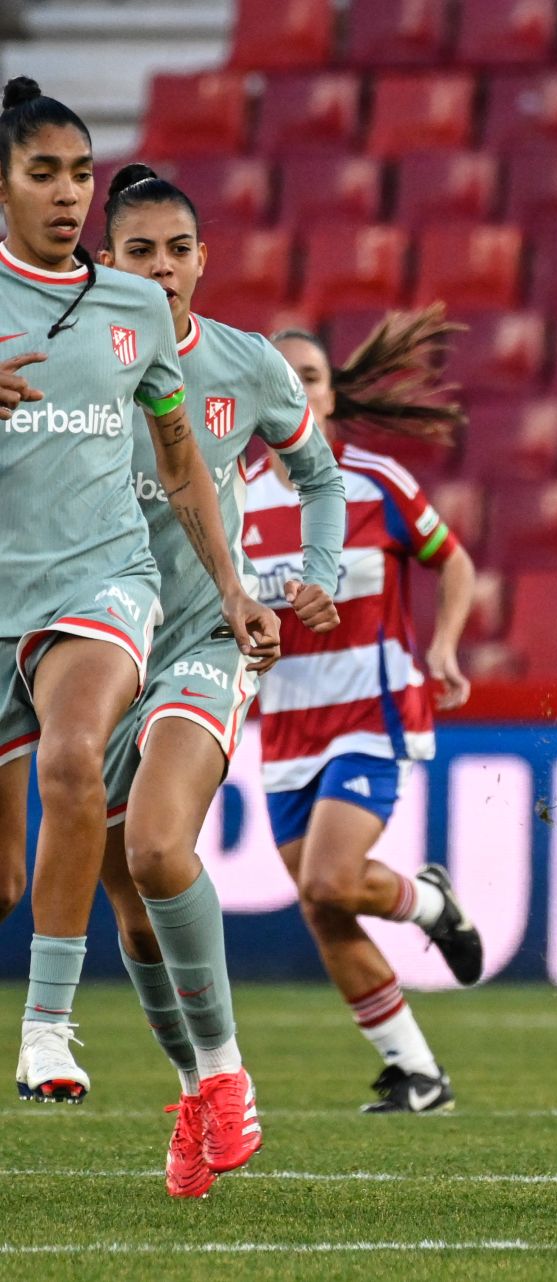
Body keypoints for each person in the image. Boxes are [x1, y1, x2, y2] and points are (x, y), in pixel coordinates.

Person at [0, 79, 278, 1112]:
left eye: (81, 174)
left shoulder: (131, 309)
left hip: (100, 584)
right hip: (7, 593)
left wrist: (234, 587)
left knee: (75, 756)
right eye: (45, 175)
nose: (69, 195)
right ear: (2, 187)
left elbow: (182, 463)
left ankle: (47, 1028)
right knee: (2, 878)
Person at [89, 162, 349, 1196]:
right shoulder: (63, 366)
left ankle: (230, 1075)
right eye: (138, 251)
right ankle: (194, 1088)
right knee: (133, 903)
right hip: (86, 656)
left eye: (176, 250)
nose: (159, 268)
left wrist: (316, 578)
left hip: (204, 638)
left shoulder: (245, 366)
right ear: (106, 261)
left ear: (203, 259)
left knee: (159, 845)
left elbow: (319, 475)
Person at [245, 310, 481, 1114]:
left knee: (331, 878)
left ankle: (434, 907)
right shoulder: (230, 503)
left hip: (371, 714)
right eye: (280, 381)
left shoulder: (376, 482)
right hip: (283, 730)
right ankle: (416, 1072)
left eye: (310, 378)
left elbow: (454, 564)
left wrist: (444, 649)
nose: (297, 392)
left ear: (333, 397)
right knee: (322, 903)